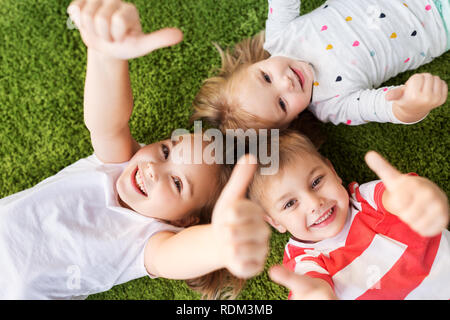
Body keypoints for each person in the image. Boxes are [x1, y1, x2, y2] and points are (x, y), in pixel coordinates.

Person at [0, 0, 270, 299]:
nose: (154, 168)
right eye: (167, 151)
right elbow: (108, 123)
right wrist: (107, 56)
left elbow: (175, 257)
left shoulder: (149, 240)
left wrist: (220, 243)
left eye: (178, 183)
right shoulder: (117, 164)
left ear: (183, 221)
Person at [248, 130, 450, 299]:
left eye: (317, 181)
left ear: (333, 171)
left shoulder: (365, 199)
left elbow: (399, 197)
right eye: (290, 203)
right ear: (275, 222)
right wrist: (315, 294)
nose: (314, 203)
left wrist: (414, 195)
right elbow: (313, 286)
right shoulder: (304, 258)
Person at [191, 0, 449, 131]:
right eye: (282, 104)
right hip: (438, 24)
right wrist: (411, 105)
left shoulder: (280, 38)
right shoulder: (333, 105)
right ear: (292, 120)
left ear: (255, 62)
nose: (286, 83)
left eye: (266, 78)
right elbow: (385, 107)